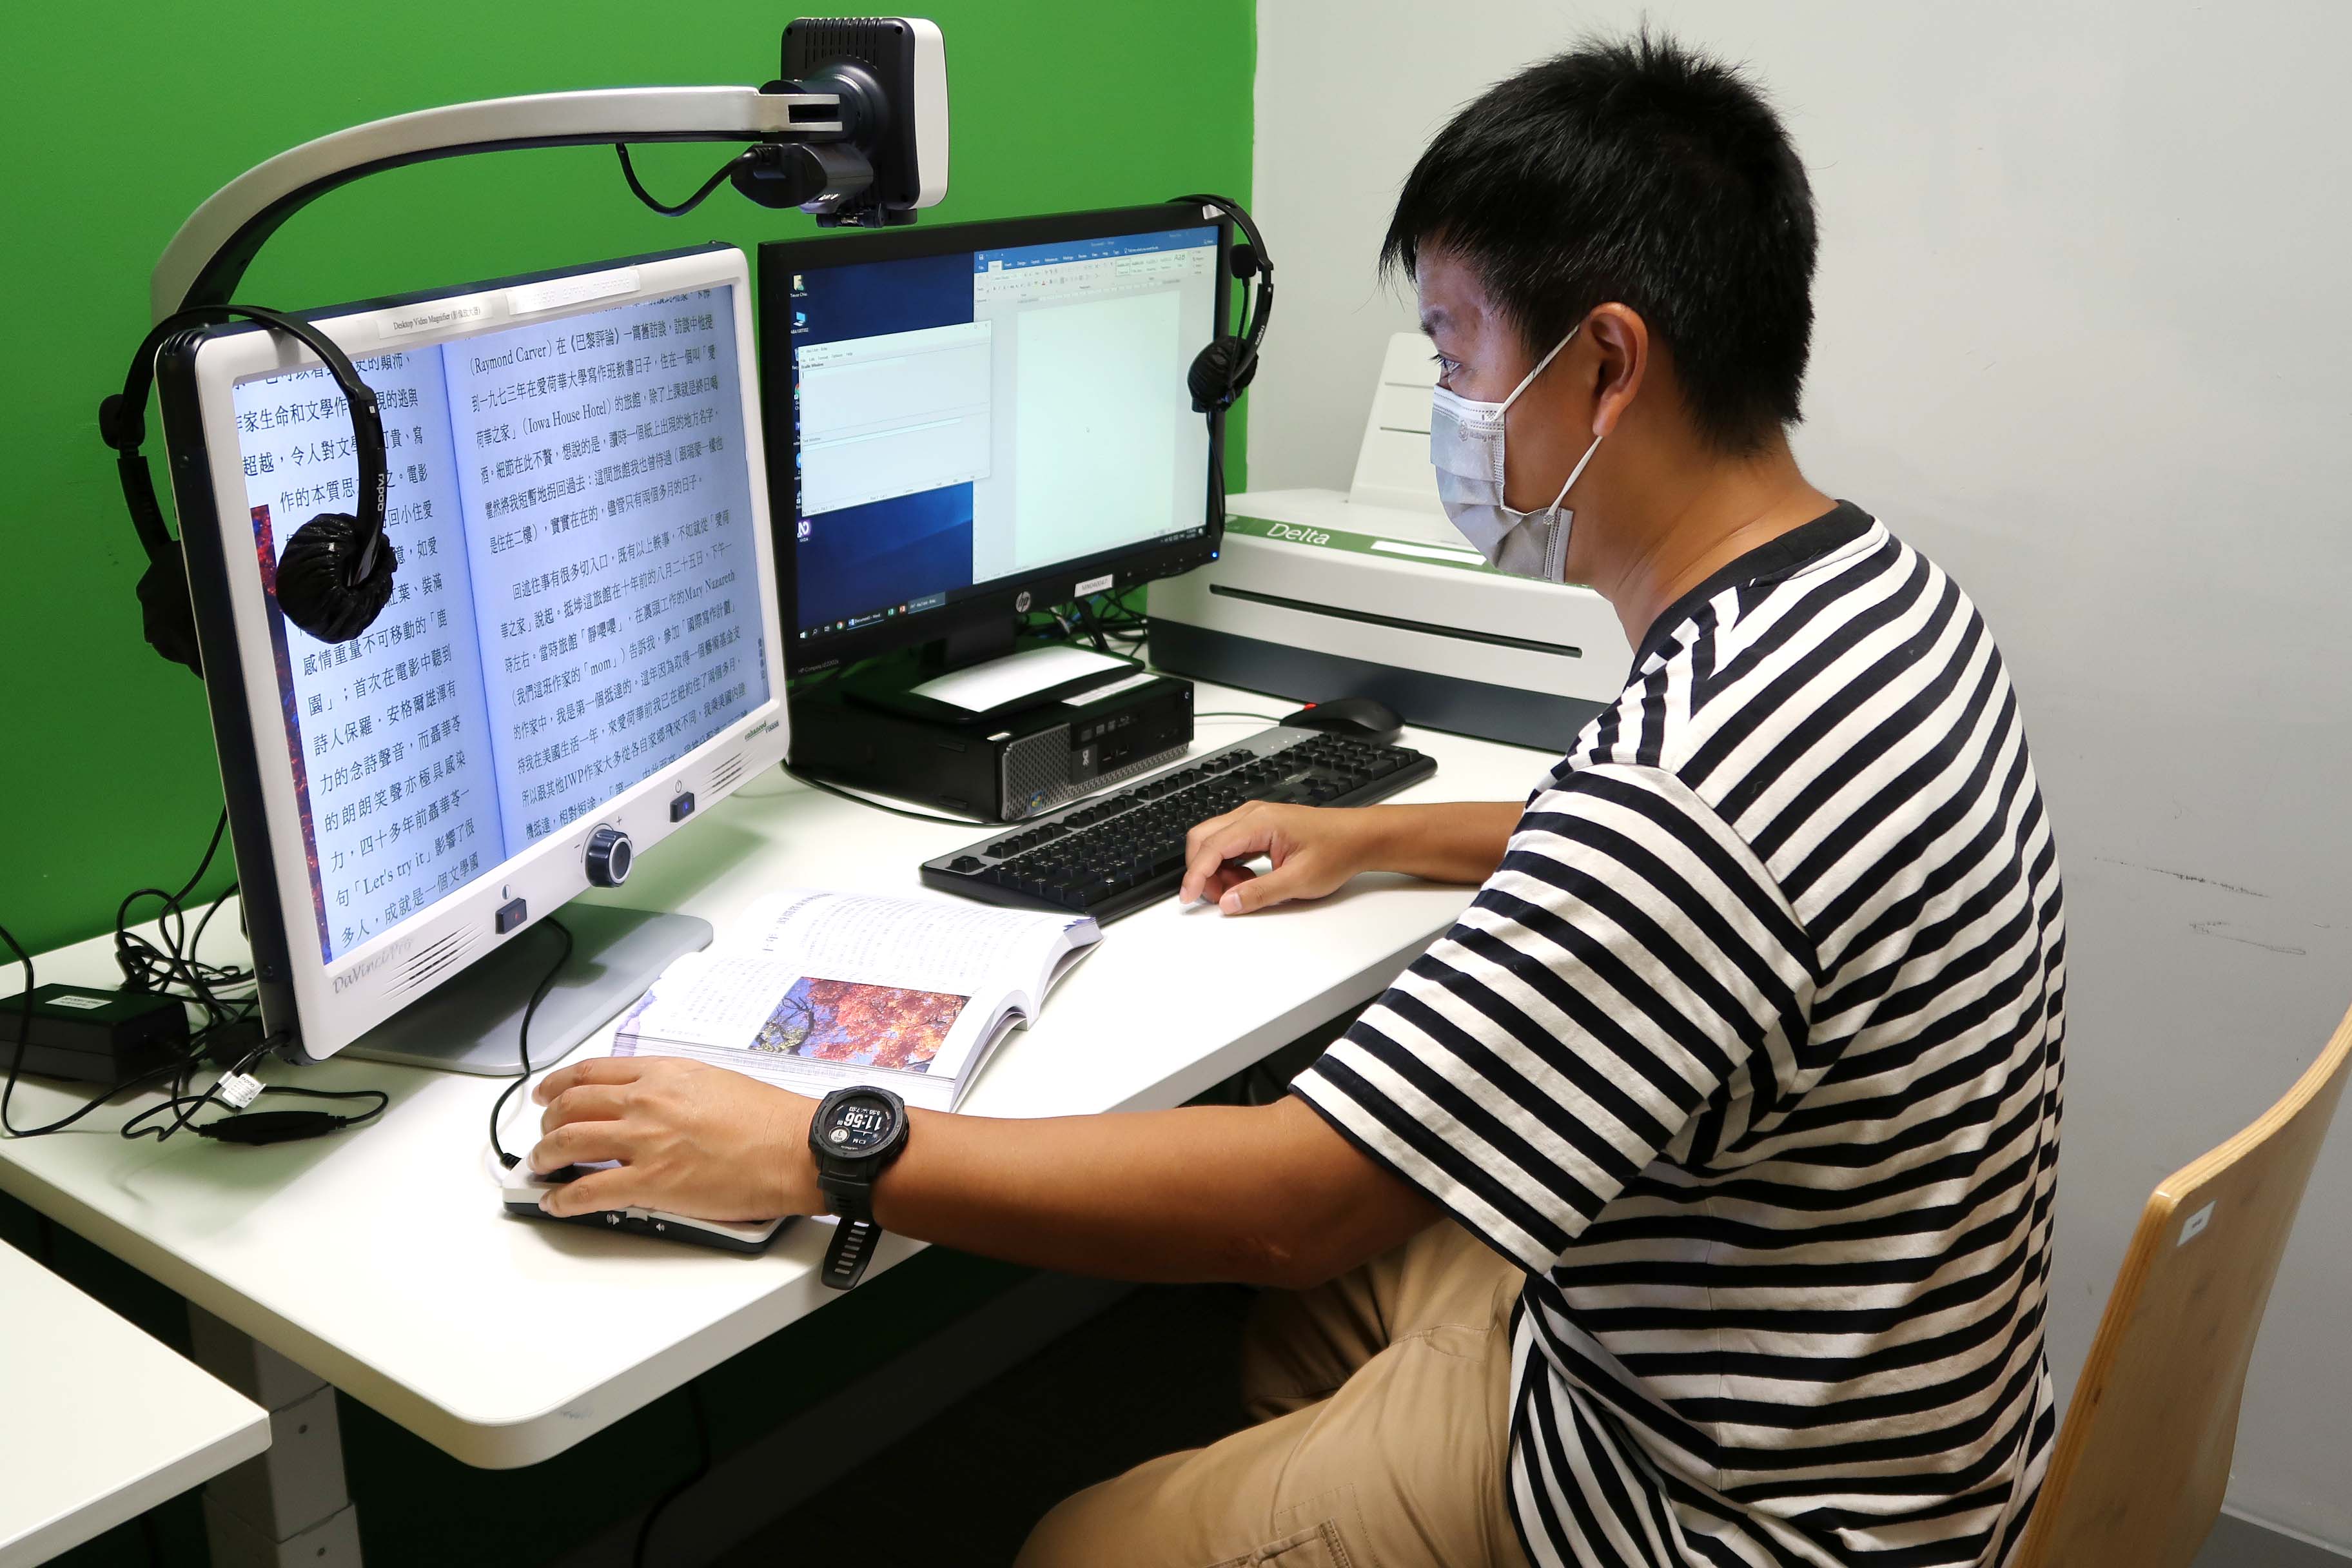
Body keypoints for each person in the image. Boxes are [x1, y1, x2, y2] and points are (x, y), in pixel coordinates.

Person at [527, 31, 2065, 1568]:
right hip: (1858, 1403)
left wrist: (830, 1145)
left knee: (1080, 1537)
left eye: (1462, 352)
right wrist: (1381, 832)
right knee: (1318, 1314)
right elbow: (1698, 885)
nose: (1454, 399)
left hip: (1727, 1514)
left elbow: (1299, 1200)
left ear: (1606, 362)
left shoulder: (1699, 777)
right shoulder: (1868, 598)